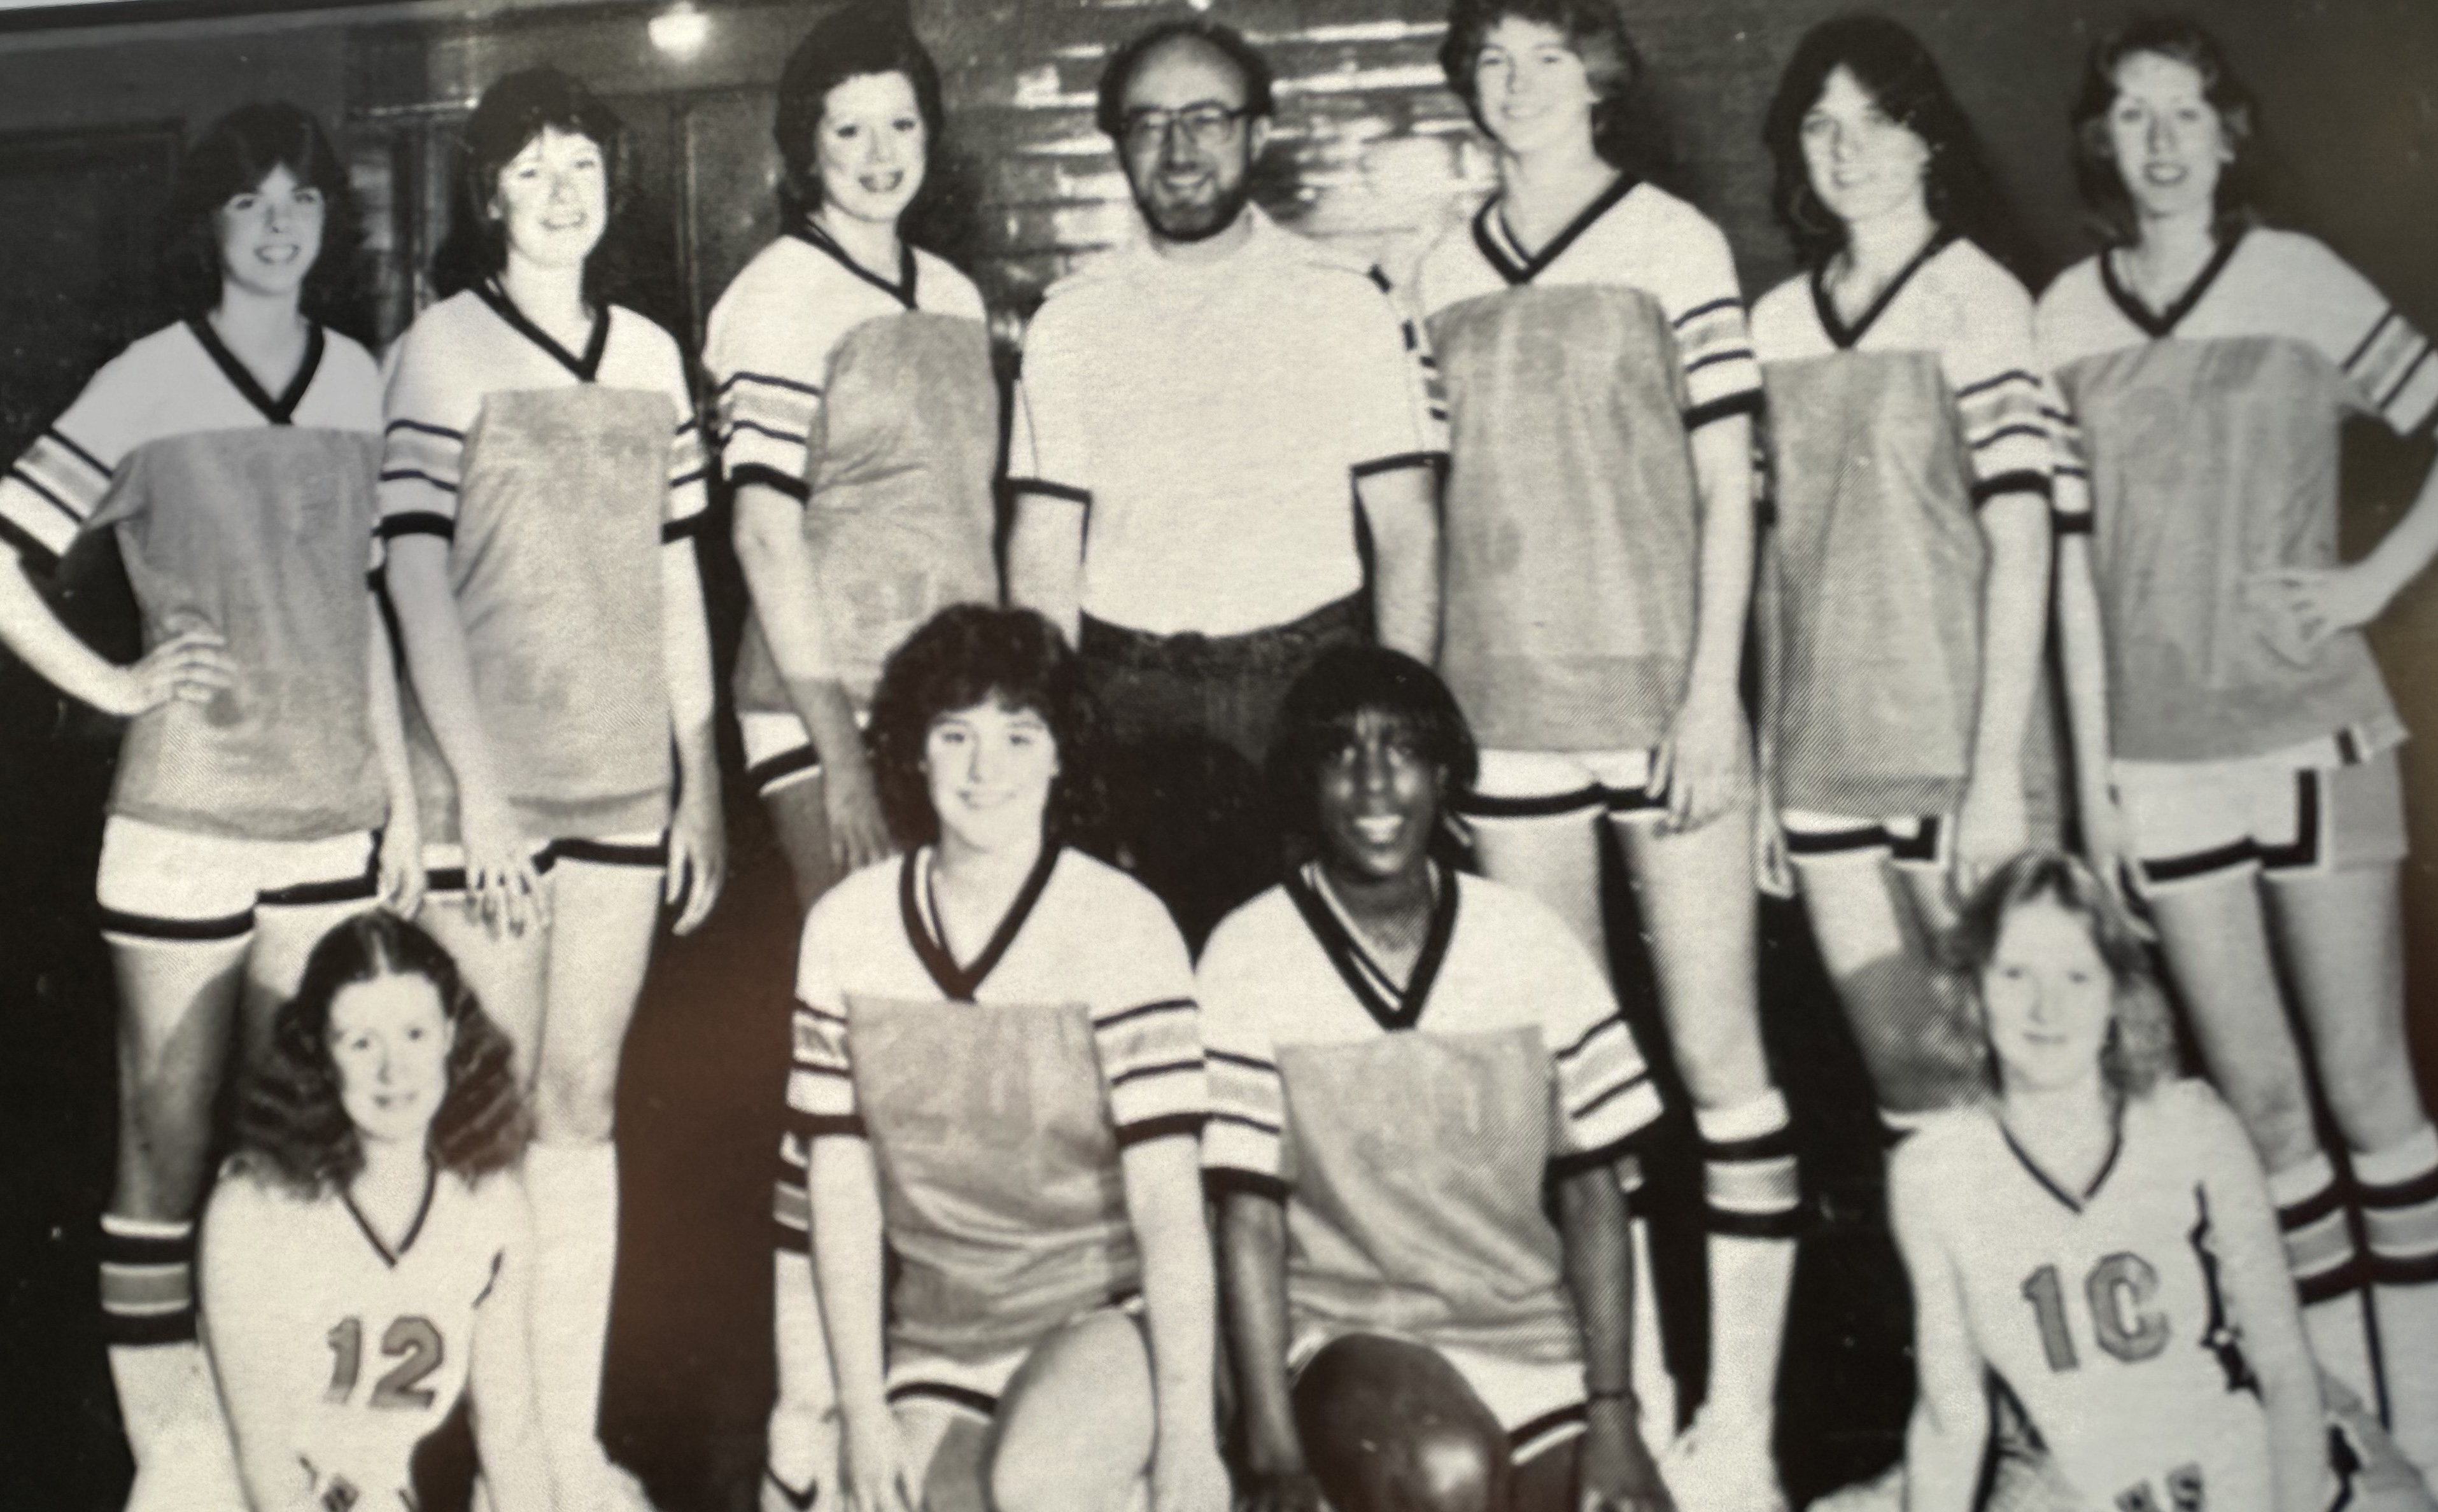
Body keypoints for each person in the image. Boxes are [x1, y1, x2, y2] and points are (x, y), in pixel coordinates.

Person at [0, 101, 416, 1510]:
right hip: (181, 823)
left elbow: (364, 603)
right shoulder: (146, 380)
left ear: (329, 220)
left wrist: (403, 805)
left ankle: (298, 1447)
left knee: (304, 1148)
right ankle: (175, 1458)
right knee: (166, 1147)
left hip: (332, 819)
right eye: (249, 201)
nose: (279, 224)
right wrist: (116, 683)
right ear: (209, 225)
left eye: (302, 199)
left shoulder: (356, 376)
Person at [2040, 19, 2438, 1466]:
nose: (2160, 140)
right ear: (2103, 139)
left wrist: (2371, 583)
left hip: (2315, 731)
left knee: (2370, 1084)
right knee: (2263, 1111)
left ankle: (2434, 1421)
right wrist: (2095, 786)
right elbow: (2068, 570)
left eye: (2185, 112)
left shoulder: (2298, 278)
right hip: (2162, 765)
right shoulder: (2062, 316)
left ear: (2228, 133)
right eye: (2133, 114)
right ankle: (2348, 1439)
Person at [1415, 2, 1796, 1500]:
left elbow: (1726, 487)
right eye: (1492, 61)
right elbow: (1427, 505)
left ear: (1599, 74)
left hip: (1659, 703)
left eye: (1548, 57)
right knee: (1574, 1084)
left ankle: (1741, 1429)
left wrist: (1713, 698)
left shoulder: (1674, 243)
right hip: (1505, 715)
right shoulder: (1436, 266)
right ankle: (1633, 1414)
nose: (1518, 86)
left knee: (1717, 1057)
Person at [379, 66, 725, 1509]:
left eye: (582, 163)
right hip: (493, 798)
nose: (561, 190)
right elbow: (410, 578)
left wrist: (699, 780)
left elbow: (675, 576)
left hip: (623, 786)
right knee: (491, 1115)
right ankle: (501, 1454)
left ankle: (567, 1446)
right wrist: (479, 795)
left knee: (581, 1106)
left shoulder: (650, 353)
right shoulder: (439, 350)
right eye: (531, 168)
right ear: (490, 195)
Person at [701, 11, 999, 1505]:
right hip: (825, 714)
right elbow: (765, 534)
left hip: (952, 716)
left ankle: (920, 1398)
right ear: (800, 148)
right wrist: (848, 756)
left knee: (939, 1056)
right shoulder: (772, 296)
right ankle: (805, 1421)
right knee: (861, 1056)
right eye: (847, 130)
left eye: (901, 125)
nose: (879, 156)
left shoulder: (953, 290)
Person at [1200, 645, 1672, 1512]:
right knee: (1445, 1470)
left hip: (1530, 1338)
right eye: (1341, 754)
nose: (1375, 784)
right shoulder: (1248, 952)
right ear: (1303, 779)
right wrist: (1271, 1456)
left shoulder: (1527, 938)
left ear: (1445, 773)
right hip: (1350, 1338)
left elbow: (1594, 1196)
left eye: (1404, 751)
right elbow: (1247, 1224)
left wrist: (1615, 1411)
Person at [1005, 15, 1444, 947]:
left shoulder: (1346, 300)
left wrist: (1399, 722)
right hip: (1126, 698)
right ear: (1118, 142)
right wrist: (1050, 729)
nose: (1178, 150)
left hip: (1304, 692)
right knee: (1138, 971)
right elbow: (1043, 545)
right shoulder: (1068, 321)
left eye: (1206, 118)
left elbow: (1406, 528)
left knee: (1314, 968)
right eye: (1148, 123)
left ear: (1258, 132)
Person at [786, 605, 1227, 1512]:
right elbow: (836, 1187)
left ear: (1061, 754)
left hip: (1107, 1321)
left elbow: (1169, 1205)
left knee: (1035, 1486)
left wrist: (1189, 1440)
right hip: (940, 1342)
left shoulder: (1123, 925)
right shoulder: (846, 928)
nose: (985, 771)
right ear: (915, 751)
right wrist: (856, 1413)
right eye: (956, 736)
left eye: (1019, 738)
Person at [1749, 17, 2054, 1128]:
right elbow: (1776, 567)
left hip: (1953, 748)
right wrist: (1771, 766)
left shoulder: (1981, 300)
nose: (1847, 151)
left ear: (1928, 139)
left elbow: (2022, 543)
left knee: (2023, 1072)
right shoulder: (1775, 322)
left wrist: (1996, 777)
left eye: (1876, 122)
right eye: (1820, 125)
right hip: (1826, 758)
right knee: (1909, 1083)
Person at [1893, 851, 2329, 1512]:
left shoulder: (2191, 1125)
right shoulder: (1932, 1169)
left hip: (2245, 1475)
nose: (2046, 1009)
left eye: (2076, 977)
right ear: (1973, 986)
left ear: (2116, 996)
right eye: (2015, 974)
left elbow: (2286, 1372)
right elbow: (1950, 1417)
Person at [201, 911, 548, 1512]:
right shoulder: (255, 1206)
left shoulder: (492, 1206)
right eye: (361, 1043)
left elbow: (511, 1435)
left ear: (449, 1034)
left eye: (414, 1034)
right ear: (320, 1053)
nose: (394, 1070)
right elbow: (263, 1457)